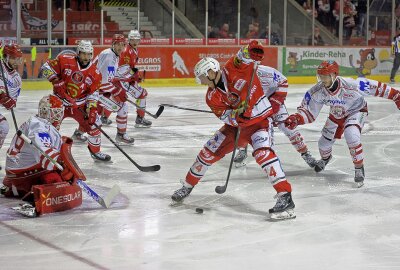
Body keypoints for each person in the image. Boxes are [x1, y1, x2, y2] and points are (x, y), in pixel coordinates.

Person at [171, 56, 296, 220]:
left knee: (263, 154)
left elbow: (243, 58)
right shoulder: (211, 96)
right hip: (235, 129)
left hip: (260, 124)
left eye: (202, 77)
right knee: (207, 153)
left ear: (211, 71)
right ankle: (187, 186)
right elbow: (225, 116)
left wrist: (250, 51)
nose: (201, 82)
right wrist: (236, 117)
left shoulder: (233, 73)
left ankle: (285, 197)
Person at [285, 60, 400, 187]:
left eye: (325, 76)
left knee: (351, 135)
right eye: (320, 76)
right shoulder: (317, 91)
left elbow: (375, 87)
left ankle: (358, 168)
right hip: (336, 115)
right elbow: (309, 112)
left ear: (334, 75)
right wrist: (297, 118)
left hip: (356, 110)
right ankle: (325, 159)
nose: (322, 79)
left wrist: (395, 95)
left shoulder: (351, 84)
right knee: (323, 144)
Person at [232, 41, 317, 169]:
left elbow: (283, 81)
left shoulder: (266, 72)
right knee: (244, 126)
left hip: (273, 104)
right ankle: (244, 151)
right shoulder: (237, 77)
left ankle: (305, 153)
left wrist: (275, 104)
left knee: (288, 127)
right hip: (254, 107)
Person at [0, 94, 83, 217]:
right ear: (47, 112)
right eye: (56, 112)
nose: (59, 116)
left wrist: (63, 163)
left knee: (60, 173)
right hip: (21, 172)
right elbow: (46, 159)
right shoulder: (39, 127)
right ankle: (34, 201)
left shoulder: (39, 123)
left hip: (17, 170)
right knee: (55, 178)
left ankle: (14, 188)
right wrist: (63, 166)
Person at [41, 40, 111, 161]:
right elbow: (45, 67)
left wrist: (92, 108)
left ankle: (95, 151)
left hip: (79, 104)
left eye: (89, 54)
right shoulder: (65, 59)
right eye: (83, 53)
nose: (86, 57)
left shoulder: (95, 73)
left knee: (95, 124)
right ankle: (48, 151)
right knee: (50, 126)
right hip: (59, 102)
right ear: (78, 52)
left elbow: (93, 93)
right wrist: (55, 80)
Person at [94, 34, 135, 144]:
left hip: (95, 90)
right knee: (122, 107)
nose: (120, 47)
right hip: (95, 92)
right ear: (113, 44)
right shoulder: (109, 57)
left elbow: (109, 77)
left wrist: (126, 78)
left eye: (123, 45)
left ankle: (78, 133)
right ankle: (121, 134)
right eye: (118, 44)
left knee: (94, 117)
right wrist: (118, 91)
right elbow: (104, 83)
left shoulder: (113, 54)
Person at [119, 29, 152, 128]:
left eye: (137, 40)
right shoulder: (127, 51)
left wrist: (136, 77)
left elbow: (131, 68)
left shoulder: (133, 49)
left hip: (125, 79)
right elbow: (126, 69)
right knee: (142, 94)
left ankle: (104, 117)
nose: (135, 42)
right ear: (129, 40)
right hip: (124, 80)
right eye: (133, 40)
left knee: (117, 99)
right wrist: (136, 77)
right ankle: (140, 119)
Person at [0, 43, 23, 168]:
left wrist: (9, 101)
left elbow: (11, 101)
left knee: (3, 127)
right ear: (6, 57)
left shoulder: (16, 79)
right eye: (14, 57)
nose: (16, 61)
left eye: (18, 58)